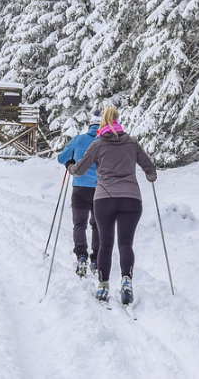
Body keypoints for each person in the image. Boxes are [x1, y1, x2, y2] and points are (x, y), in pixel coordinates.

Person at [66, 106, 156, 305]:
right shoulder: (132, 143)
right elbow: (150, 168)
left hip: (104, 198)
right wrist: (151, 176)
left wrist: (70, 167)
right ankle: (126, 280)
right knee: (125, 244)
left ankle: (103, 285)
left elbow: (79, 170)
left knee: (106, 244)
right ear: (117, 120)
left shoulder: (98, 145)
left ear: (102, 123)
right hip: (131, 199)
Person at [57, 110, 102, 278]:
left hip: (80, 188)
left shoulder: (79, 139)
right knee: (97, 225)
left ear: (90, 125)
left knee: (80, 225)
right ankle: (96, 259)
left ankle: (81, 256)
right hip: (101, 189)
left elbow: (61, 158)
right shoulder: (105, 141)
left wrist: (70, 161)